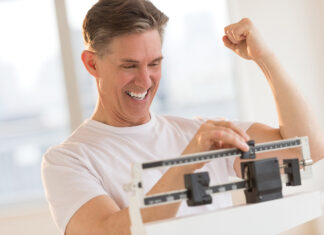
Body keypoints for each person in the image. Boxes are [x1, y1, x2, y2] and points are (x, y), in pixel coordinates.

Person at [41, 0, 324, 235]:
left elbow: (306, 148)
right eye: (129, 65)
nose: (144, 80)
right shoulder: (68, 160)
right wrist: (188, 162)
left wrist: (265, 57)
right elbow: (106, 232)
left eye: (154, 64)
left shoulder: (200, 132)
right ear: (92, 63)